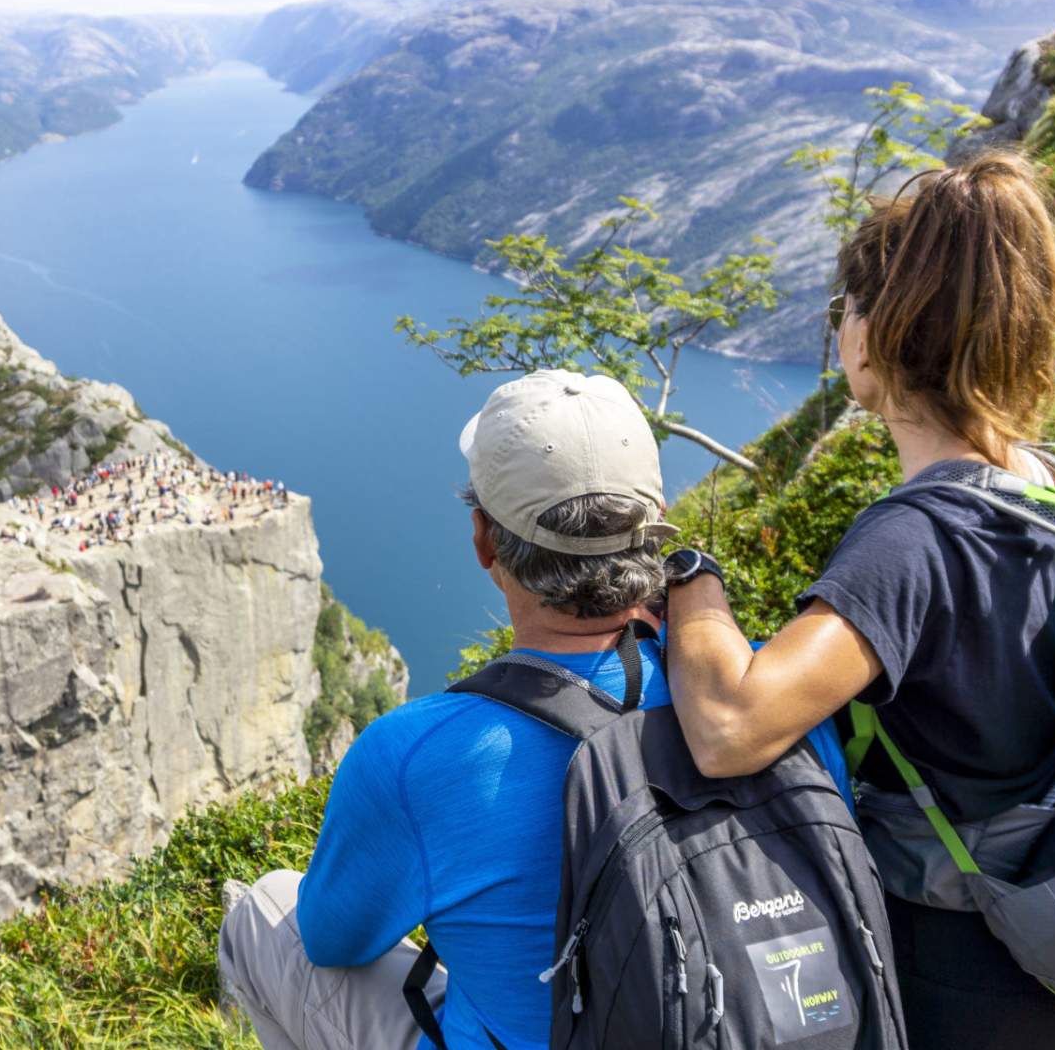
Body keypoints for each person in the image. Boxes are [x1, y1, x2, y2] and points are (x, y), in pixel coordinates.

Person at [219, 371, 849, 1050]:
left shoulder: (415, 757)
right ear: (656, 529)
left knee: (263, 912)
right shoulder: (773, 700)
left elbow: (331, 942)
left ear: (484, 541)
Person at [661, 151, 1055, 1050]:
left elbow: (731, 726)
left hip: (943, 952)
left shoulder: (915, 538)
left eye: (845, 308)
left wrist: (692, 577)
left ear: (875, 334)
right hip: (1052, 934)